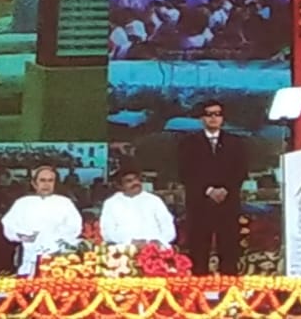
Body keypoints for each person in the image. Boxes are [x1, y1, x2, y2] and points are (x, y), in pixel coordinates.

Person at [177, 99, 247, 275]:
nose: (213, 118)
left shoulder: (235, 142)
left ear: (223, 118)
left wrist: (225, 189)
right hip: (200, 204)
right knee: (199, 250)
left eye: (217, 114)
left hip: (228, 204)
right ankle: (199, 288)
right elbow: (185, 172)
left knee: (229, 250)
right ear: (202, 119)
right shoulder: (189, 143)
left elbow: (241, 171)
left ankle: (229, 287)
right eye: (209, 115)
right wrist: (208, 190)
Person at [0, 165, 82, 277]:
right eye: (42, 180)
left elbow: (74, 227)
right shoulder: (23, 203)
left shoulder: (65, 203)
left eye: (50, 180)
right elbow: (9, 225)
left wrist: (54, 241)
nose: (46, 184)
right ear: (34, 183)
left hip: (57, 260)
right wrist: (22, 236)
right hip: (29, 256)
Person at [99, 165, 175, 246]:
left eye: (136, 179)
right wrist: (130, 241)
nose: (135, 183)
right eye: (129, 181)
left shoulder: (154, 200)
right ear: (120, 186)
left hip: (155, 248)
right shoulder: (111, 203)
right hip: (125, 249)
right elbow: (107, 233)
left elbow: (168, 228)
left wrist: (159, 241)